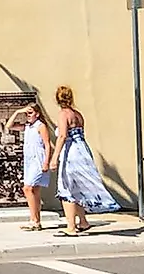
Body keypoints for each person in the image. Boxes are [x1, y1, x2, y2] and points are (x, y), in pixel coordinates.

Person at [53, 86, 119, 235]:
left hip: (70, 153)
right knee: (79, 187)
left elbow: (62, 136)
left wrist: (54, 157)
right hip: (82, 151)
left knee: (66, 188)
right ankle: (83, 221)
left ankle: (71, 226)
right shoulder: (78, 115)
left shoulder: (63, 114)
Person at [10, 97, 51, 232]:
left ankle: (33, 219)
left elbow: (47, 144)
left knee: (27, 188)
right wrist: (18, 112)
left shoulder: (41, 126)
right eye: (27, 113)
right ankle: (36, 221)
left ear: (37, 114)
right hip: (29, 159)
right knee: (34, 190)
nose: (28, 116)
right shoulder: (28, 126)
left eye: (31, 113)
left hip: (38, 158)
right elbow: (8, 126)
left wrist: (46, 161)